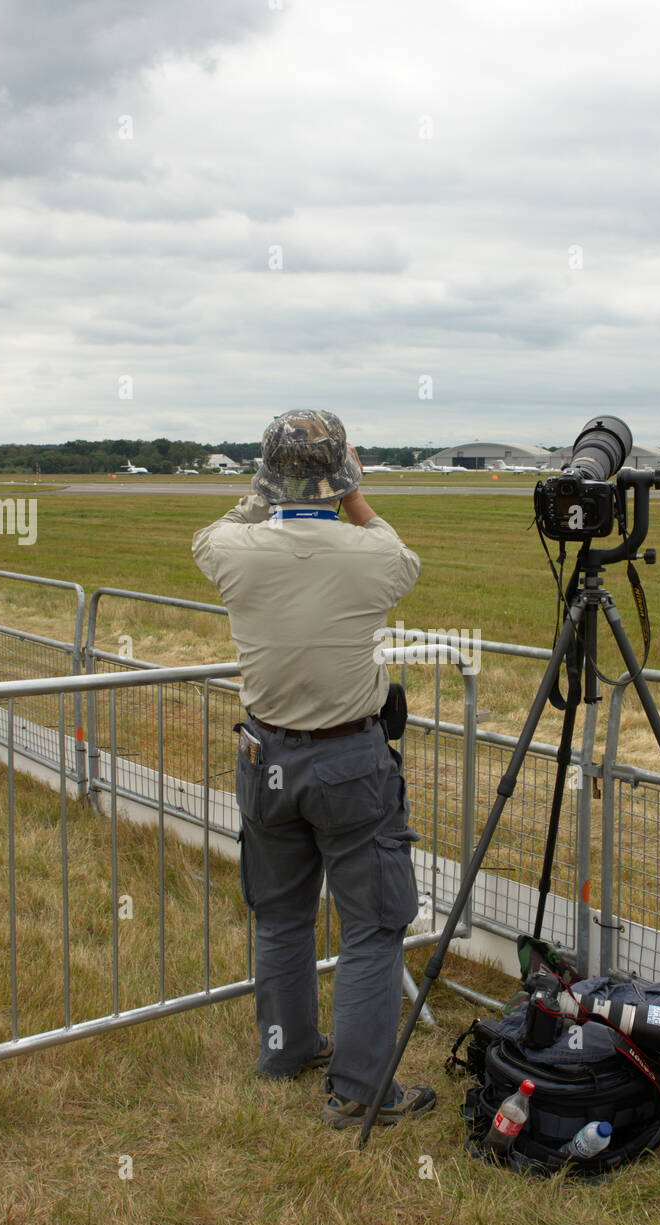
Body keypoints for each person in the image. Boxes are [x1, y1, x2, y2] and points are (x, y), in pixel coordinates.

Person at [192, 408, 435, 1129]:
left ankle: (285, 1049)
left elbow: (217, 532)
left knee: (282, 915)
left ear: (267, 474)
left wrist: (268, 489)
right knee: (371, 927)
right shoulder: (372, 556)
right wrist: (351, 488)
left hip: (264, 756)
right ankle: (359, 1089)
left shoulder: (231, 551)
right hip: (348, 761)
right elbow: (397, 551)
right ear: (344, 474)